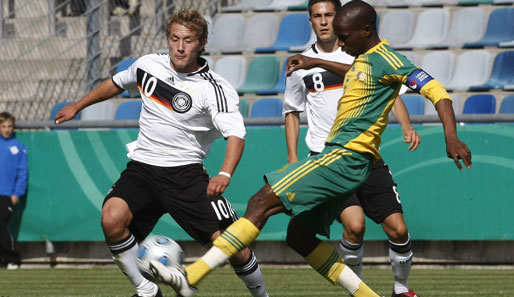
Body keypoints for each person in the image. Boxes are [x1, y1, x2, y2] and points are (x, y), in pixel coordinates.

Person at [150, 2, 472, 297]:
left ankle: (191, 274)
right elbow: (357, 73)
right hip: (345, 160)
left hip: (343, 158)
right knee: (298, 236)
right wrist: (315, 60)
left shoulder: (390, 60)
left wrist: (451, 136)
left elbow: (437, 90)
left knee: (260, 202)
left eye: (345, 37)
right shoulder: (365, 61)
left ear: (366, 31)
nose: (341, 43)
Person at [55, 9, 269, 297]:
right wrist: (78, 106)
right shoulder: (148, 65)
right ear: (168, 39)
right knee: (111, 218)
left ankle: (261, 295)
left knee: (233, 246)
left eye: (188, 40)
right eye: (175, 38)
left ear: (202, 43)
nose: (180, 47)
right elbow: (117, 83)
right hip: (143, 168)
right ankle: (146, 290)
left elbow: (236, 135)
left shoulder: (214, 88)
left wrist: (224, 173)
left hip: (186, 174)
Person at [283, 1, 420, 296]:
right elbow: (291, 111)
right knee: (355, 226)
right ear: (310, 21)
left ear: (340, 17)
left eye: (329, 15)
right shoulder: (300, 63)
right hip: (327, 157)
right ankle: (358, 291)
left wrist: (406, 125)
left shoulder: (367, 55)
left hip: (366, 155)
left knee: (398, 229)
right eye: (317, 16)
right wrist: (293, 158)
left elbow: (391, 90)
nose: (323, 22)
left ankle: (402, 289)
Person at [0, 112, 27, 270]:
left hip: (7, 195)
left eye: (9, 126)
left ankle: (12, 257)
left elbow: (22, 173)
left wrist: (17, 194)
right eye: (3, 126)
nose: (7, 129)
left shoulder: (18, 147)